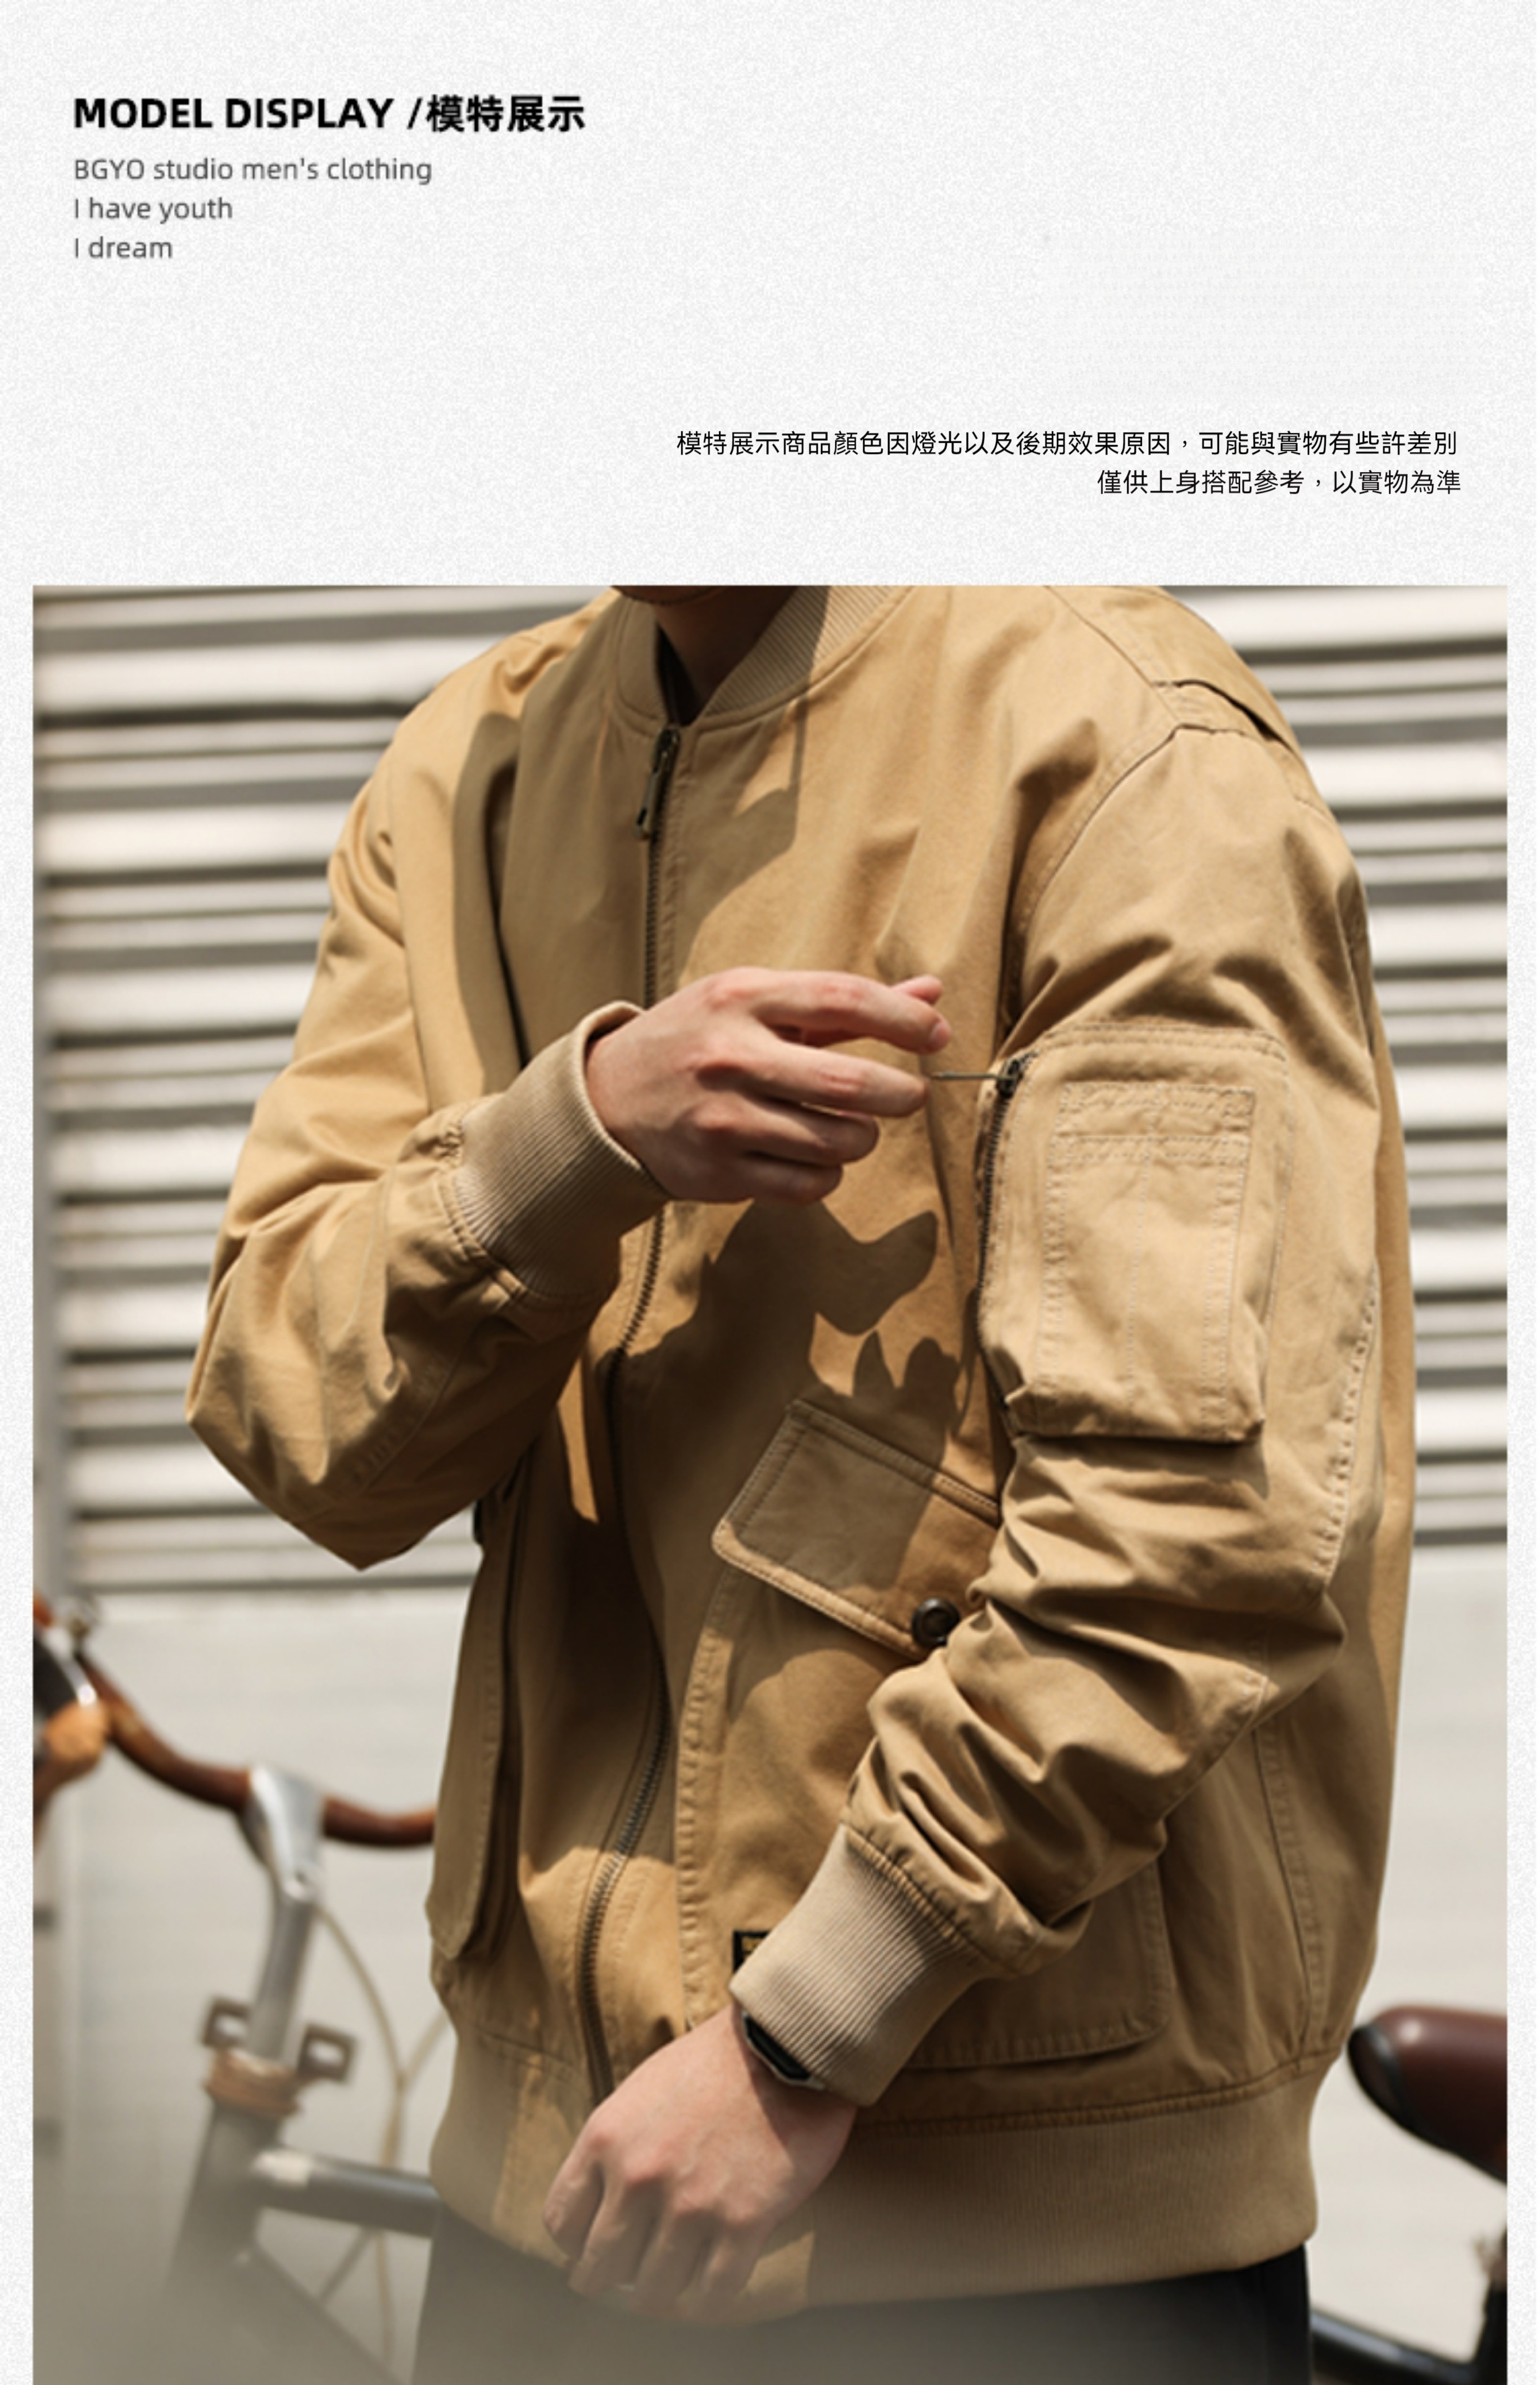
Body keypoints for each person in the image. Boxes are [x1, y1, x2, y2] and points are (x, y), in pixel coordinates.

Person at [187, 585, 1413, 2383]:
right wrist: (572, 1139)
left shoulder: (1120, 742)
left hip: (1015, 2220)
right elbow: (296, 1414)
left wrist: (812, 2024)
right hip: (553, 2183)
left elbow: (1194, 1521)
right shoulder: (465, 777)